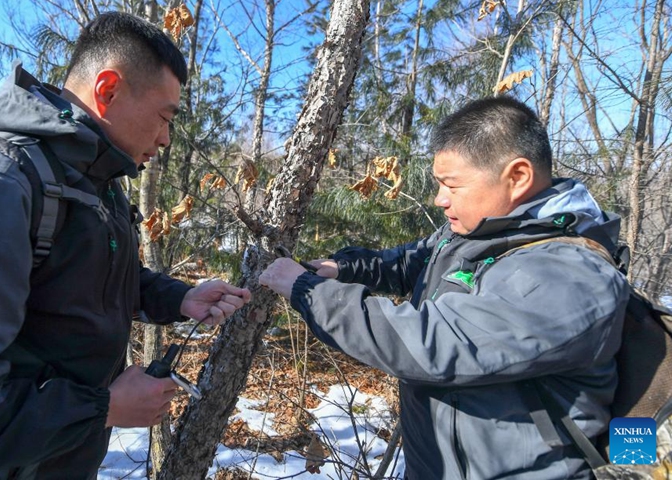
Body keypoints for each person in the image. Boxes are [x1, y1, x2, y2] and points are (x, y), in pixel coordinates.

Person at [0, 12, 250, 479]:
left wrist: (179, 298)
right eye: (164, 117)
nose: (166, 139)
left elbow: (80, 279)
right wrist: (103, 409)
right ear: (108, 90)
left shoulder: (90, 182)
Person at [260, 97, 631, 479]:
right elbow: (416, 260)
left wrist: (307, 291)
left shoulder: (567, 275)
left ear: (517, 177)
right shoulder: (481, 230)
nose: (440, 199)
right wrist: (342, 268)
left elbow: (434, 343)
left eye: (452, 185)